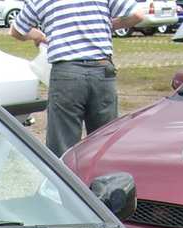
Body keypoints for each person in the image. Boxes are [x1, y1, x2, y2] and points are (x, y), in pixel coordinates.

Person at [11, 0, 142, 156]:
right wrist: (110, 25)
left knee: (62, 145)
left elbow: (16, 30)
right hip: (102, 70)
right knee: (104, 144)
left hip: (66, 73)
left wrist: (37, 35)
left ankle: (63, 172)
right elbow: (137, 15)